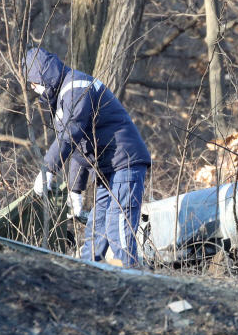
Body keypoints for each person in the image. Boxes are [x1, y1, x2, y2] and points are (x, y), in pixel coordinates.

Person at [25, 47, 152, 267]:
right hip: (107, 169)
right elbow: (79, 146)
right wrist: (75, 190)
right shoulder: (66, 93)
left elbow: (71, 133)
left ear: (41, 76)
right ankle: (86, 273)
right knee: (97, 224)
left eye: (33, 82)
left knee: (118, 225)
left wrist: (48, 170)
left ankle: (133, 276)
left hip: (125, 162)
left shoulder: (76, 87)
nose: (32, 88)